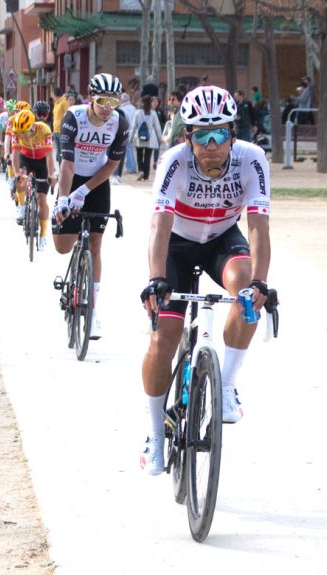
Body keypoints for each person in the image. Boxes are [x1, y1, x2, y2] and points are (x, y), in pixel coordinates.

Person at [138, 85, 271, 475]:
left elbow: (259, 227)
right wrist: (156, 278)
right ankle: (154, 434)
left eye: (219, 134)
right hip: (178, 244)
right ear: (187, 137)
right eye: (201, 135)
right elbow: (159, 226)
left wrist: (261, 283)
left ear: (233, 133)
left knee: (246, 290)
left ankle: (226, 383)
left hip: (221, 239)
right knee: (163, 336)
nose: (211, 145)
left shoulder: (252, 159)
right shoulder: (173, 162)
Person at [52, 73, 129, 339]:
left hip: (96, 183)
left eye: (114, 101)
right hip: (71, 177)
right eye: (103, 100)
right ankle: (75, 252)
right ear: (91, 97)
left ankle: (93, 313)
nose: (108, 107)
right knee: (62, 246)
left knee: (95, 245)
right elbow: (67, 163)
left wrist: (86, 190)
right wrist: (65, 198)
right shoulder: (74, 117)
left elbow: (112, 164)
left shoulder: (120, 122)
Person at [11, 109, 56, 251]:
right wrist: (17, 173)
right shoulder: (16, 131)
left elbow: (49, 155)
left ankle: (43, 235)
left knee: (42, 199)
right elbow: (15, 153)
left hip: (42, 161)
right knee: (21, 178)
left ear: (32, 125)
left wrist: (51, 175)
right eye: (20, 132)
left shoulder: (45, 130)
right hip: (26, 159)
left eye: (25, 131)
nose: (23, 134)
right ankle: (22, 207)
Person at [129, 94, 162, 181]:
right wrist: (159, 138)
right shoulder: (153, 113)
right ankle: (146, 175)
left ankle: (141, 170)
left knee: (139, 155)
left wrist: (131, 137)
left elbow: (133, 126)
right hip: (150, 138)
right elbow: (157, 127)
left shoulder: (137, 112)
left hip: (139, 137)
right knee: (148, 156)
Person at [111, 92, 137, 183]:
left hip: (118, 136)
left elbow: (128, 123)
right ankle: (119, 173)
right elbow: (129, 123)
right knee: (121, 155)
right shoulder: (132, 108)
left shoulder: (122, 110)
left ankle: (116, 174)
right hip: (125, 134)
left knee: (116, 155)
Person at [51, 87, 68, 165]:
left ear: (55, 94)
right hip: (55, 130)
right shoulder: (56, 103)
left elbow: (68, 115)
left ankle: (63, 171)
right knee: (58, 153)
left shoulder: (64, 102)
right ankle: (60, 170)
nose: (52, 96)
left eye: (52, 94)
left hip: (62, 130)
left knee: (62, 152)